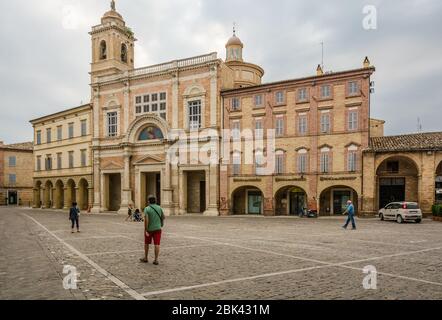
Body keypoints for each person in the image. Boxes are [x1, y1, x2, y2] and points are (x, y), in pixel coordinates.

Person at [140, 195, 165, 265]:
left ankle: (145, 257)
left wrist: (146, 230)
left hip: (150, 229)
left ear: (148, 201)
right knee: (157, 244)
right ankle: (156, 260)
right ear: (155, 201)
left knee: (147, 243)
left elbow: (146, 220)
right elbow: (163, 217)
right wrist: (161, 224)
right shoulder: (159, 208)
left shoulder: (147, 209)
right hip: (158, 228)